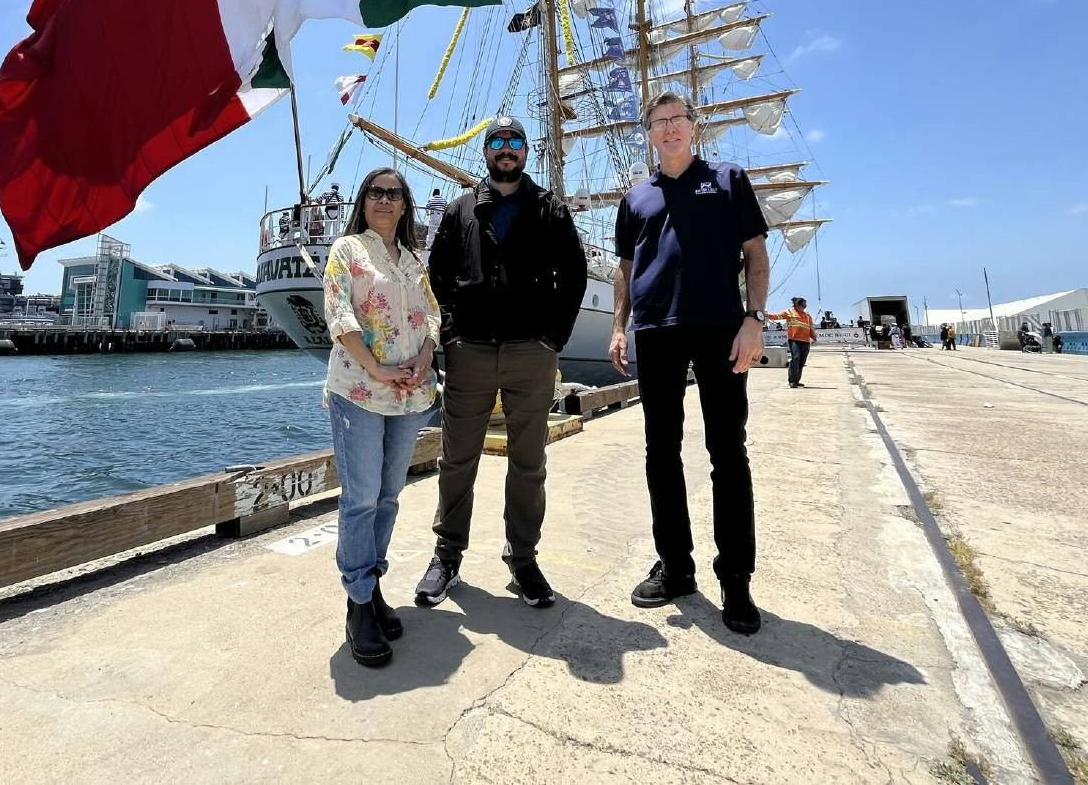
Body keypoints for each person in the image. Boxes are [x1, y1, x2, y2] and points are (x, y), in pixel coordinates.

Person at [609, 91, 769, 634]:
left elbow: (755, 254)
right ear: (649, 133)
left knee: (727, 451)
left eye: (678, 119)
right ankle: (676, 566)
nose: (670, 129)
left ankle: (737, 579)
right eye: (659, 122)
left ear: (693, 127)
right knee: (661, 453)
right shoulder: (636, 200)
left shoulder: (727, 180)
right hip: (656, 331)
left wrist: (755, 318)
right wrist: (617, 326)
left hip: (721, 327)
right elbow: (626, 269)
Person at [415, 116, 587, 610]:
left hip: (530, 353)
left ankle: (523, 557)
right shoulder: (460, 210)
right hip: (470, 350)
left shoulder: (548, 208)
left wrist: (553, 338)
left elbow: (573, 275)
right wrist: (449, 332)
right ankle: (447, 554)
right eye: (497, 142)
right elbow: (438, 278)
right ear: (486, 152)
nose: (506, 150)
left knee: (529, 461)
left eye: (514, 142)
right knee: (456, 458)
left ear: (526, 153)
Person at [320, 169, 441, 667]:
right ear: (363, 200)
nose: (385, 200)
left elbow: (432, 313)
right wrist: (377, 367)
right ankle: (357, 600)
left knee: (389, 495)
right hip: (360, 389)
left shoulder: (413, 259)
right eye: (376, 192)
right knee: (362, 497)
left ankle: (372, 589)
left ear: (406, 204)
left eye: (394, 193)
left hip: (409, 395)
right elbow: (338, 313)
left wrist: (426, 356)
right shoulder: (347, 250)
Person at [766, 296, 816, 388]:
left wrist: (814, 336)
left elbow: (811, 327)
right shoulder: (789, 312)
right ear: (797, 305)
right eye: (803, 305)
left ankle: (797, 380)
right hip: (794, 340)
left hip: (805, 341)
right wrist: (766, 315)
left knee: (802, 361)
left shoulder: (807, 315)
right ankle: (792, 381)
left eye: (805, 305)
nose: (804, 307)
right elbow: (777, 316)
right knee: (796, 358)